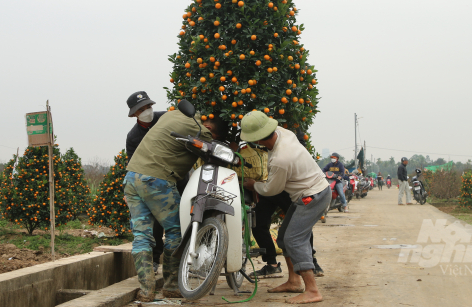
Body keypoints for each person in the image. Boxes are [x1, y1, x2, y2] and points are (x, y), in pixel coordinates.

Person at [125, 108, 227, 301]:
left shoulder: (171, 114)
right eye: (213, 135)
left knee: (141, 235)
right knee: (175, 231)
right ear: (208, 128)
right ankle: (171, 286)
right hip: (157, 180)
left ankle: (146, 291)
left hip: (132, 179)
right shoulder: (202, 130)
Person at [242, 112, 329, 304]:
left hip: (312, 196)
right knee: (283, 237)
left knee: (294, 239)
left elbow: (272, 189)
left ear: (257, 139)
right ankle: (294, 281)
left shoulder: (281, 159)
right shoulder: (283, 132)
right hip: (309, 193)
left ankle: (313, 290)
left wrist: (252, 185)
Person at [249, 133, 325, 278]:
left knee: (297, 229)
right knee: (258, 223)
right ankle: (272, 264)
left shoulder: (285, 136)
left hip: (287, 188)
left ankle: (311, 263)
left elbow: (299, 144)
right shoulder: (257, 131)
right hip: (269, 183)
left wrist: (255, 186)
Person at [125, 91, 166, 273]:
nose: (147, 111)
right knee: (156, 222)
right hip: (152, 182)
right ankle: (155, 259)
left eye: (149, 106)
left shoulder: (165, 119)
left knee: (182, 220)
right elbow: (132, 166)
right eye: (142, 109)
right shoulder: (133, 137)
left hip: (176, 176)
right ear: (134, 114)